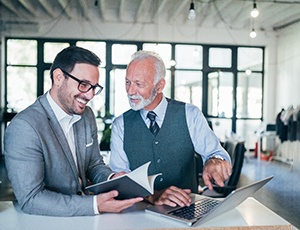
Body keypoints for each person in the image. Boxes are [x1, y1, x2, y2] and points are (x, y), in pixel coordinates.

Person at [4, 46, 143, 216]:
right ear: (58, 78)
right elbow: (31, 198)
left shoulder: (86, 115)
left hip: (85, 220)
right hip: (45, 222)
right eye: (84, 85)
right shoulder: (25, 127)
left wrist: (112, 179)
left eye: (94, 87)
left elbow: (93, 164)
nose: (90, 95)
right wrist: (93, 205)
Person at [110, 50, 232, 208]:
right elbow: (121, 179)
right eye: (127, 82)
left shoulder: (190, 114)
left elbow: (215, 153)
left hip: (186, 209)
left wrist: (214, 161)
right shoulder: (121, 124)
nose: (130, 91)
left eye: (139, 84)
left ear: (159, 85)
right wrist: (152, 195)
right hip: (139, 212)